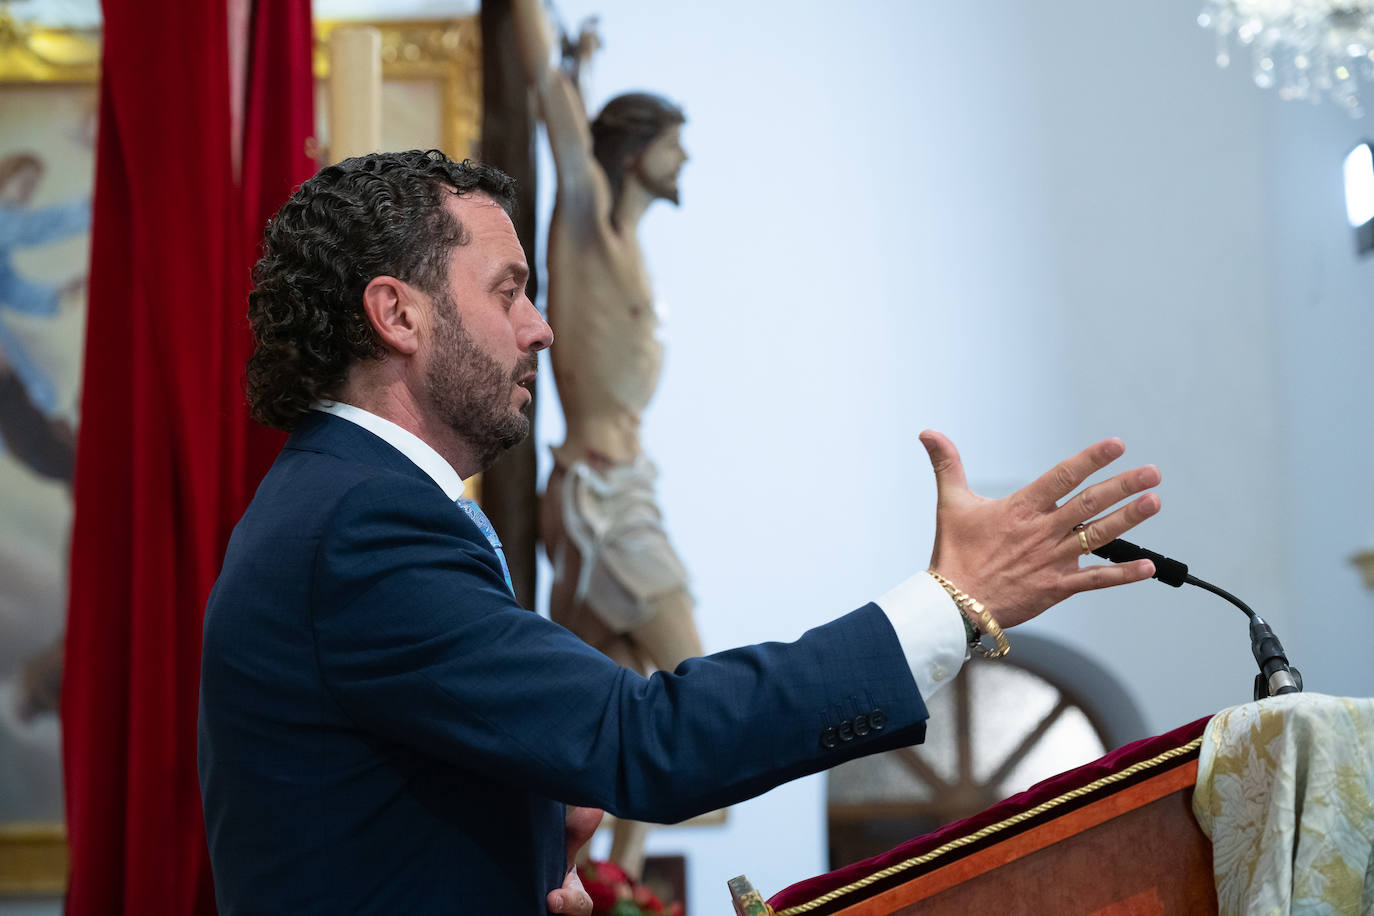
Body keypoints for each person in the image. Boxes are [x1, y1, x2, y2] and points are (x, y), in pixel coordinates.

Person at [197, 149, 1162, 914]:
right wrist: (955, 603)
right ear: (397, 313)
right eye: (507, 291)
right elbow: (644, 739)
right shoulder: (364, 524)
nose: (539, 329)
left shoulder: (338, 500)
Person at [512, 0, 701, 873]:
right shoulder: (586, 216)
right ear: (633, 152)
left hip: (623, 491)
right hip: (602, 505)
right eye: (674, 140)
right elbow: (552, 95)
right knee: (692, 687)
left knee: (610, 705)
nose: (686, 157)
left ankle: (604, 879)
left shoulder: (628, 246)